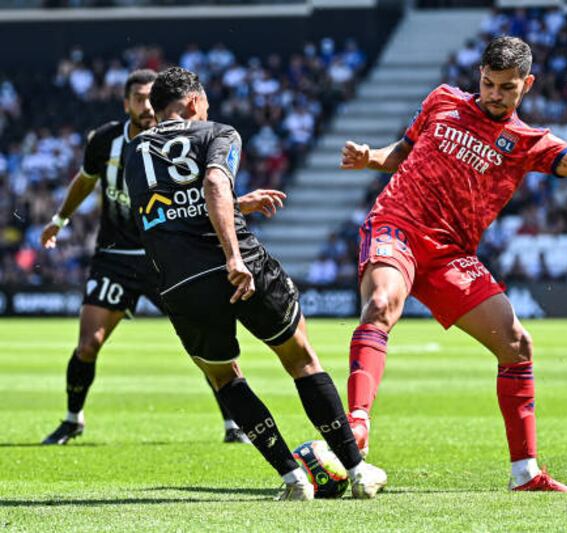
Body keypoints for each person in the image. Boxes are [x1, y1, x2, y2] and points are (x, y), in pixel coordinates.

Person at [339, 36, 567, 492]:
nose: (493, 94)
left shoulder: (528, 141)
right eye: (488, 83)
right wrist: (371, 157)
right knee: (383, 303)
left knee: (517, 345)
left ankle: (525, 473)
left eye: (506, 87)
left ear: (526, 85)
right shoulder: (442, 99)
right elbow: (404, 152)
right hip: (398, 225)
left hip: (451, 253)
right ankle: (357, 426)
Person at [123, 66, 386, 500]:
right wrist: (231, 256)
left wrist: (237, 203)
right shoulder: (217, 132)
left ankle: (291, 477)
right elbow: (211, 183)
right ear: (193, 102)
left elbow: (165, 212)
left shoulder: (134, 153)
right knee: (300, 358)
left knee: (225, 378)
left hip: (180, 280)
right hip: (238, 264)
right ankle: (357, 470)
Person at [39, 70, 247, 445]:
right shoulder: (105, 141)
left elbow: (204, 190)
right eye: (138, 98)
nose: (146, 105)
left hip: (165, 255)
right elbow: (86, 180)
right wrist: (59, 219)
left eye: (152, 97)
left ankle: (235, 424)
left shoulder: (179, 142)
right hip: (115, 255)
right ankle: (72, 419)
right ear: (126, 104)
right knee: (88, 344)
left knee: (203, 345)